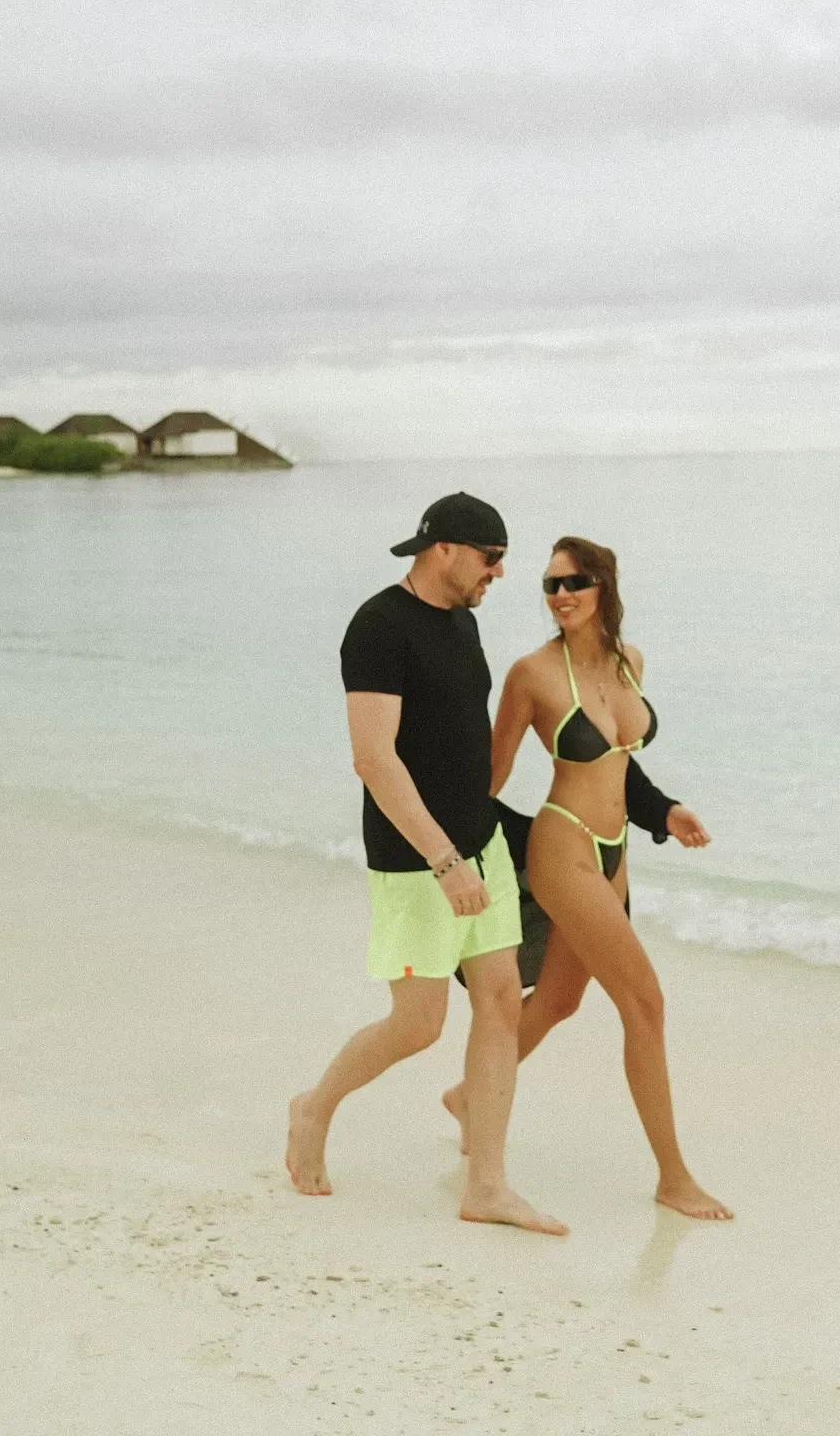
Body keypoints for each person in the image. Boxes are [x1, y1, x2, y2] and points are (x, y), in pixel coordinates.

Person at [285, 492, 566, 1236]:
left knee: (501, 1002)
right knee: (419, 1025)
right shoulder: (378, 627)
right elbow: (374, 758)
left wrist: (490, 840)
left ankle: (488, 1186)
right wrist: (444, 860)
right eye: (490, 558)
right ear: (443, 549)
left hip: (481, 844)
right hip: (417, 860)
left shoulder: (463, 622)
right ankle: (314, 1108)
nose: (499, 573)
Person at [448, 534, 733, 1222]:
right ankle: (673, 1178)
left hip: (616, 851)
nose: (560, 595)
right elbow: (488, 777)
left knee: (558, 1000)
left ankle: (468, 1097)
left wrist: (663, 811)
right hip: (563, 848)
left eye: (573, 582)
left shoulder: (631, 662)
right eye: (550, 585)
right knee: (645, 1003)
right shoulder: (532, 674)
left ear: (603, 586)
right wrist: (444, 857)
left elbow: (619, 765)